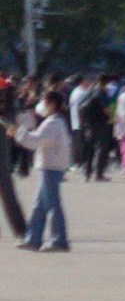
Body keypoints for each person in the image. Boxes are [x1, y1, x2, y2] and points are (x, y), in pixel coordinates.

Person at [15, 83, 67, 251]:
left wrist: (19, 133)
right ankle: (33, 238)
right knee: (40, 205)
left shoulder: (53, 123)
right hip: (50, 166)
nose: (42, 105)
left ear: (52, 104)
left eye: (44, 101)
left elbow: (36, 141)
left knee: (52, 205)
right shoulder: (54, 121)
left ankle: (59, 240)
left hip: (50, 167)